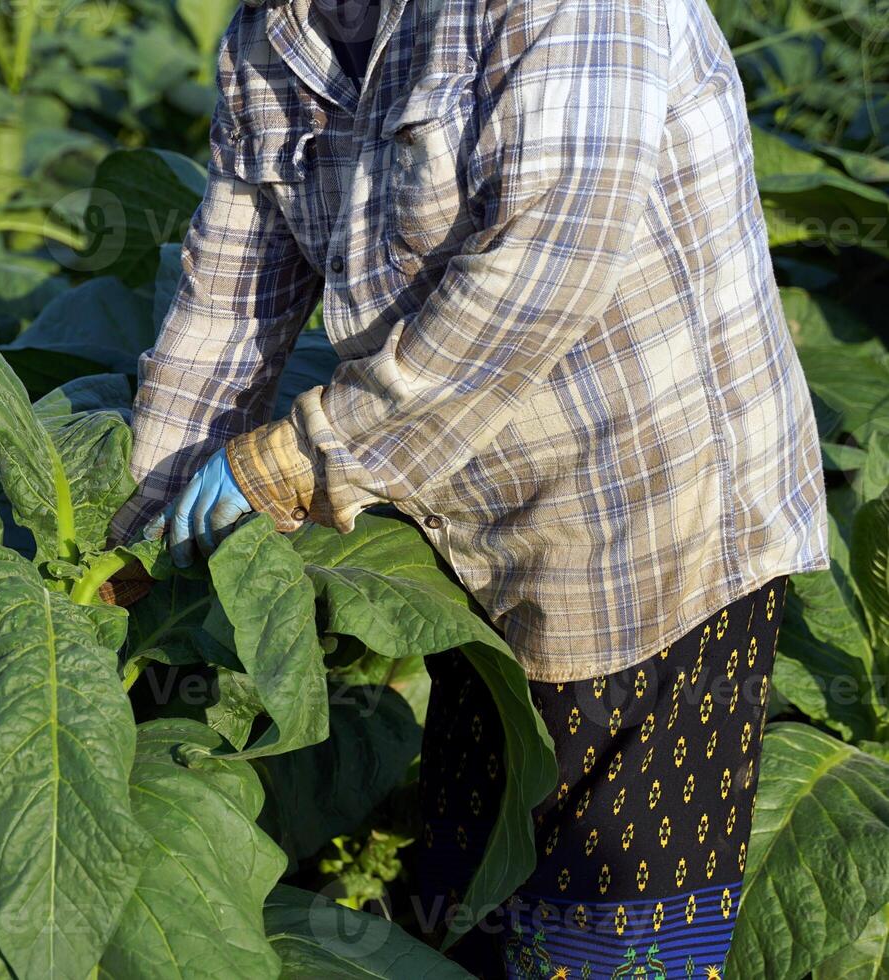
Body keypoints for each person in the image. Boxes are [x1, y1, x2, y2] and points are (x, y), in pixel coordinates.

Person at [107, 0, 830, 975]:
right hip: (465, 517)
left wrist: (296, 459)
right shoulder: (269, 36)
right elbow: (231, 296)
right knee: (473, 880)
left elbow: (547, 267)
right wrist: (135, 532)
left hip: (663, 514)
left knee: (616, 923)